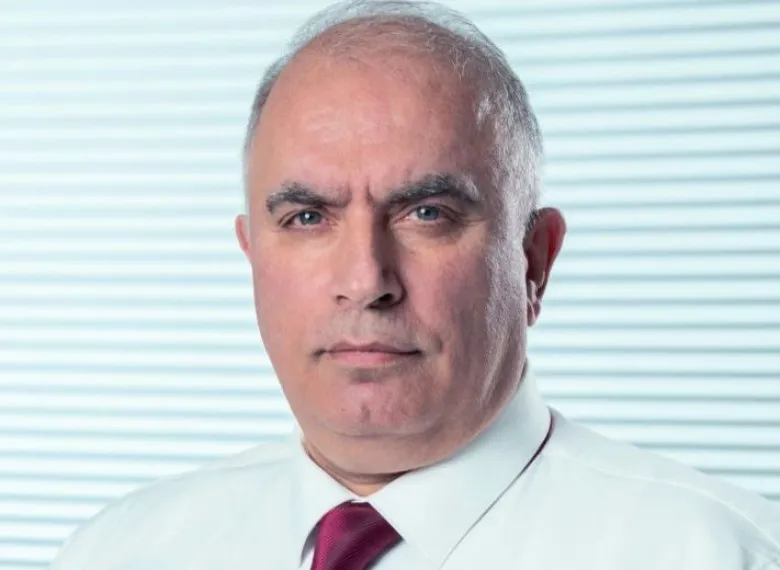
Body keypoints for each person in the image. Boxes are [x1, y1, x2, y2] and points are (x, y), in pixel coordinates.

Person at [50, 1, 780, 569]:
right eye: (307, 218)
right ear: (253, 257)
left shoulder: (719, 554)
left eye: (427, 213)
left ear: (534, 261)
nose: (365, 281)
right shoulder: (117, 553)